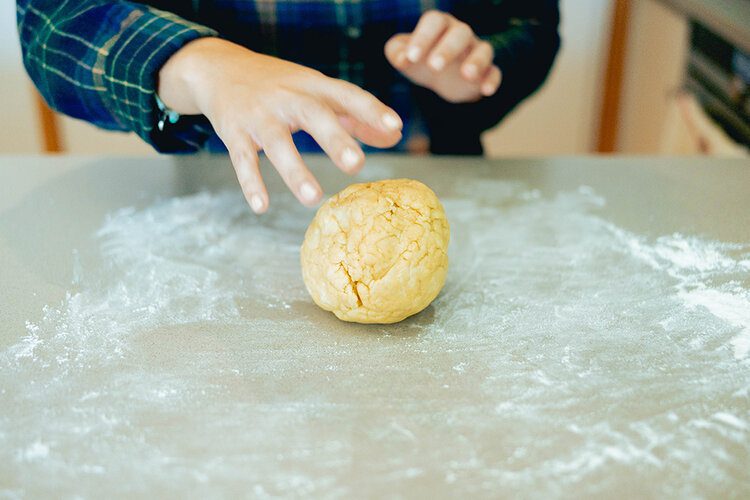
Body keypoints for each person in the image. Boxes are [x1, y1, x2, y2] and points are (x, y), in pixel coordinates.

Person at [17, 1, 560, 213]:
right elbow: (54, 26)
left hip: (439, 178)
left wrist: (475, 68)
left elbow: (532, 24)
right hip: (222, 197)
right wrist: (201, 65)